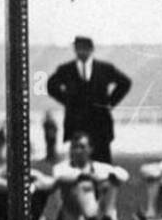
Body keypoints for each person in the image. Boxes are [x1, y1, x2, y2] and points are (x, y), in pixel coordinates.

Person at [45, 36, 132, 165]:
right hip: (76, 124)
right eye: (78, 49)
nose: (81, 52)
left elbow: (125, 82)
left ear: (91, 50)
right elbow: (51, 86)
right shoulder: (65, 69)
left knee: (103, 165)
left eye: (84, 49)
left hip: (100, 125)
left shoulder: (105, 68)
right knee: (77, 164)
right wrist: (67, 101)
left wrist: (110, 103)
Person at [51, 133, 129, 220]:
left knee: (110, 182)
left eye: (82, 147)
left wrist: (104, 177)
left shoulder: (99, 167)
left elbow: (123, 175)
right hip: (73, 215)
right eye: (75, 147)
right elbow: (59, 177)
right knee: (82, 185)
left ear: (90, 149)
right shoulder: (61, 168)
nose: (78, 151)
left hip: (97, 209)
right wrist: (89, 177)